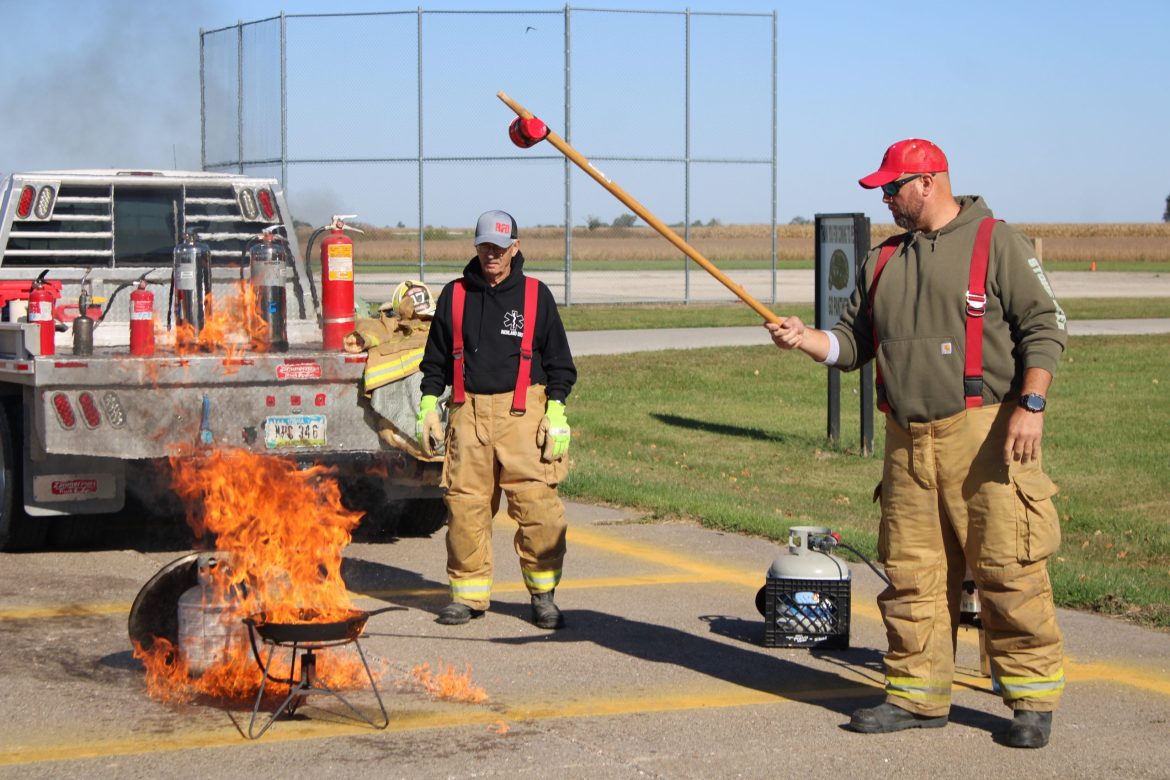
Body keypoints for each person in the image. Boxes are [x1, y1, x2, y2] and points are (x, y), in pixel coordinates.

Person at [766, 139, 1067, 748]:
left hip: (985, 434)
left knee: (1007, 569)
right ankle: (916, 696)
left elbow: (1045, 326)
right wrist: (805, 338)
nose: (885, 198)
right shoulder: (883, 260)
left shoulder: (996, 242)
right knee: (912, 576)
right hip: (906, 442)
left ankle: (1031, 700)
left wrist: (1031, 405)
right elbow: (850, 344)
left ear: (928, 182)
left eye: (892, 187)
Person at [416, 209, 577, 629]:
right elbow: (434, 361)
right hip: (467, 415)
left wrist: (556, 411)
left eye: (500, 248)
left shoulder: (536, 296)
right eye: (485, 246)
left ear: (515, 248)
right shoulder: (454, 295)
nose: (492, 254)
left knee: (539, 510)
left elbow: (561, 364)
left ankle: (543, 597)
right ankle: (467, 596)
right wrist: (429, 405)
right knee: (465, 510)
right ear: (476, 246)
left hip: (523, 415)